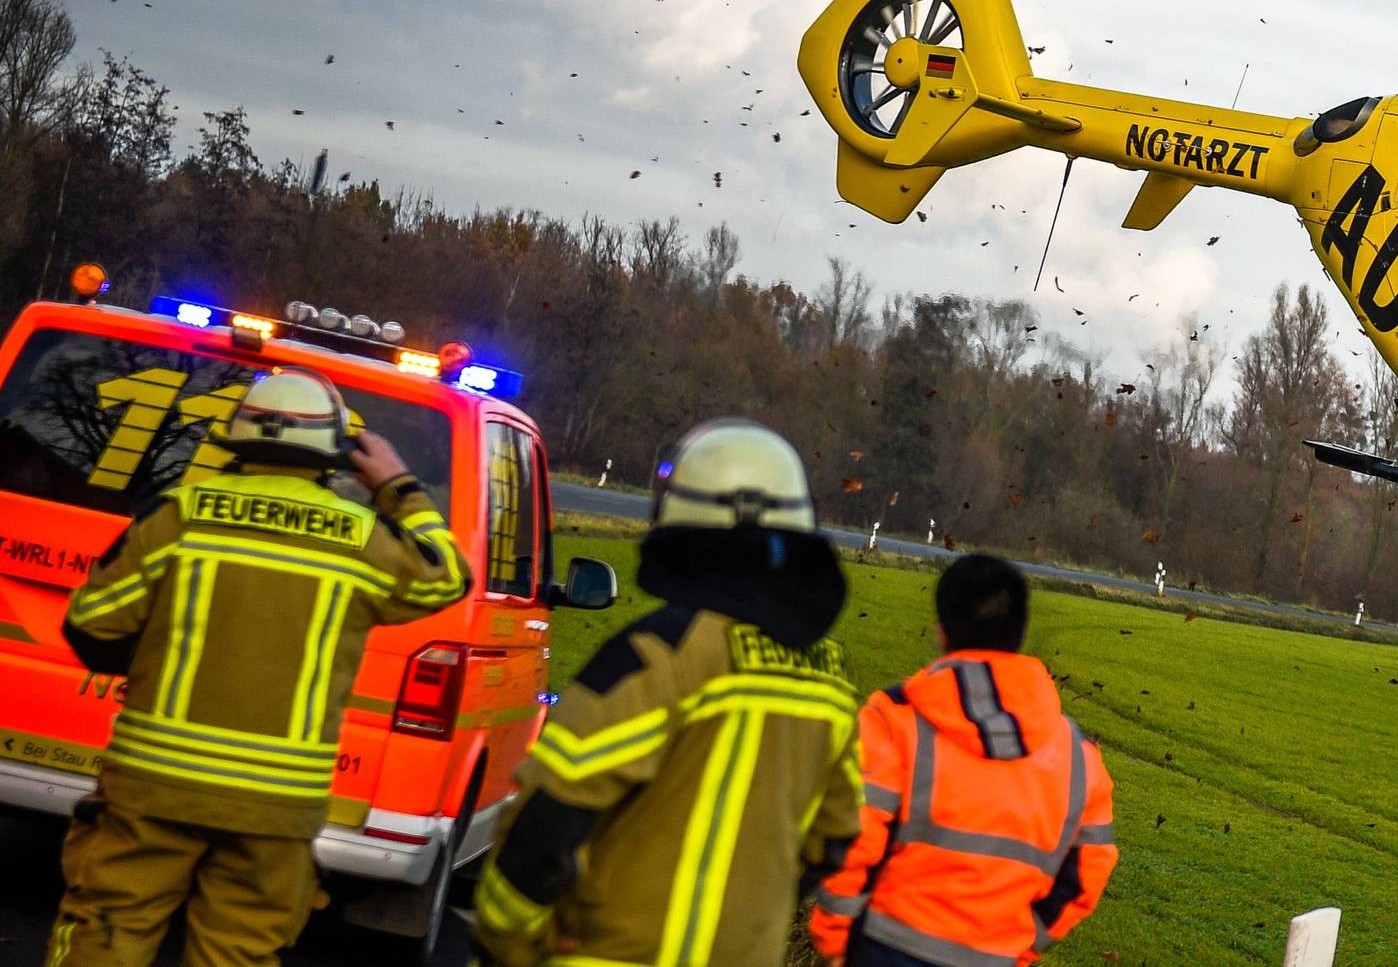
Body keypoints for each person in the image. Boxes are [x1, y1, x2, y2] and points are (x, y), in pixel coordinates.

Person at [49, 368, 469, 967]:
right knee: (238, 951)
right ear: (333, 454)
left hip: (154, 784)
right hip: (277, 803)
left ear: (236, 438)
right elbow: (449, 577)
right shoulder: (361, 539)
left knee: (108, 929)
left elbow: (91, 626)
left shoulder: (181, 516)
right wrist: (399, 486)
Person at [471, 419, 858, 967]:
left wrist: (504, 941)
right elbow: (834, 838)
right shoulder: (832, 678)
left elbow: (547, 820)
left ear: (678, 518)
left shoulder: (658, 653)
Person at [810, 555, 1117, 967]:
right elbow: (1086, 873)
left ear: (941, 632)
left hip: (885, 946)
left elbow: (849, 836)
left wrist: (835, 938)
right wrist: (1023, 948)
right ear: (1022, 630)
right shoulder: (1080, 758)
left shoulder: (895, 720)